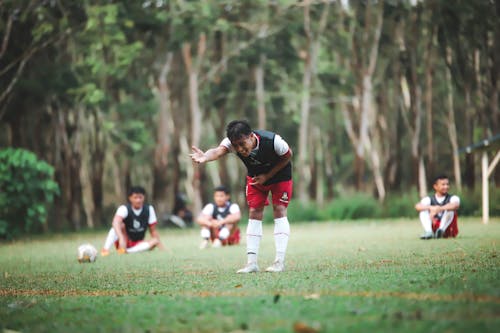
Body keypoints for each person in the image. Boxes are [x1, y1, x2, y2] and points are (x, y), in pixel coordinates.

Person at [190, 120, 293, 273]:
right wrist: (205, 156)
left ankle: (279, 261)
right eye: (235, 146)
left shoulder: (274, 141)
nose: (239, 149)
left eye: (242, 144)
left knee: (279, 209)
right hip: (256, 177)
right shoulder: (231, 143)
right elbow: (217, 151)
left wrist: (268, 175)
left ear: (251, 137)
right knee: (254, 212)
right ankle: (251, 263)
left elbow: (288, 156)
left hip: (280, 176)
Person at [101, 186, 165, 255]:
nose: (138, 200)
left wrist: (161, 247)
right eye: (135, 197)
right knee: (119, 225)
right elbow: (115, 223)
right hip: (124, 241)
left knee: (155, 241)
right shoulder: (124, 209)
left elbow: (153, 230)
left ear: (144, 197)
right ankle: (105, 249)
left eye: (140, 197)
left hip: (138, 242)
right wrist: (121, 238)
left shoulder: (149, 209)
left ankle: (127, 251)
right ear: (130, 198)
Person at [415, 174, 460, 239]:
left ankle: (441, 230)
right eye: (443, 184)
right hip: (435, 228)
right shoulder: (429, 199)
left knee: (450, 210)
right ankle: (429, 232)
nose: (446, 187)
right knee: (423, 211)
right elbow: (417, 206)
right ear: (435, 186)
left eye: (447, 184)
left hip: (449, 230)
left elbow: (455, 205)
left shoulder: (453, 198)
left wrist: (439, 209)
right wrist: (431, 208)